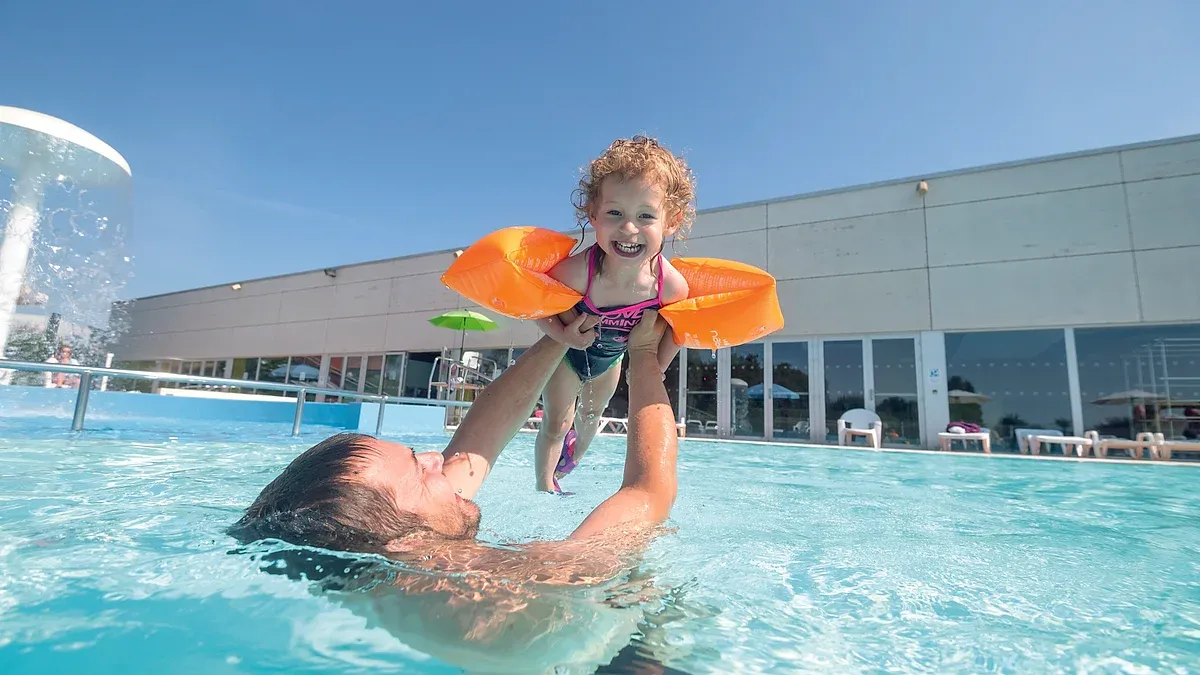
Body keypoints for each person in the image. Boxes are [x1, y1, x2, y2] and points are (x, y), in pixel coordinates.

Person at [228, 309, 681, 671]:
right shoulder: (516, 590)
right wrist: (644, 359)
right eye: (419, 470)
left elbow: (475, 445)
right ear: (409, 540)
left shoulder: (385, 547)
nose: (434, 460)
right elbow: (647, 492)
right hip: (606, 657)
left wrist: (559, 337)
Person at [533, 135, 694, 493]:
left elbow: (676, 332)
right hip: (567, 356)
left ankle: (567, 465)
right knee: (557, 421)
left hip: (611, 360)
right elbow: (535, 307)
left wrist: (655, 368)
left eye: (646, 216)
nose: (629, 228)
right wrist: (562, 336)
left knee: (591, 418)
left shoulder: (669, 286)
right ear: (594, 214)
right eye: (615, 213)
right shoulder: (578, 273)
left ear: (671, 221)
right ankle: (545, 485)